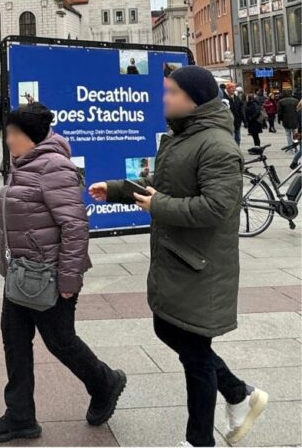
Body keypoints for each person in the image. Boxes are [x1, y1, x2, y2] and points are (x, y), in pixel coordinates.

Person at [88, 66, 267, 447]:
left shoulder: (217, 145)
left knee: (194, 352)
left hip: (200, 264)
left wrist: (160, 206)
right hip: (181, 259)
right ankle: (238, 394)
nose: (164, 98)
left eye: (170, 92)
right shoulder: (183, 138)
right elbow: (161, 185)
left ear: (193, 98)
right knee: (170, 329)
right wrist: (119, 189)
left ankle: (200, 439)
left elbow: (217, 207)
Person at [0, 102, 125, 443]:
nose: (7, 138)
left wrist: (69, 280)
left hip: (49, 274)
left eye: (13, 133)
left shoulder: (54, 168)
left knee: (60, 341)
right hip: (21, 273)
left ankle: (105, 382)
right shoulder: (24, 164)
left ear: (30, 136)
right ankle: (20, 417)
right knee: (14, 341)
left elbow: (75, 227)